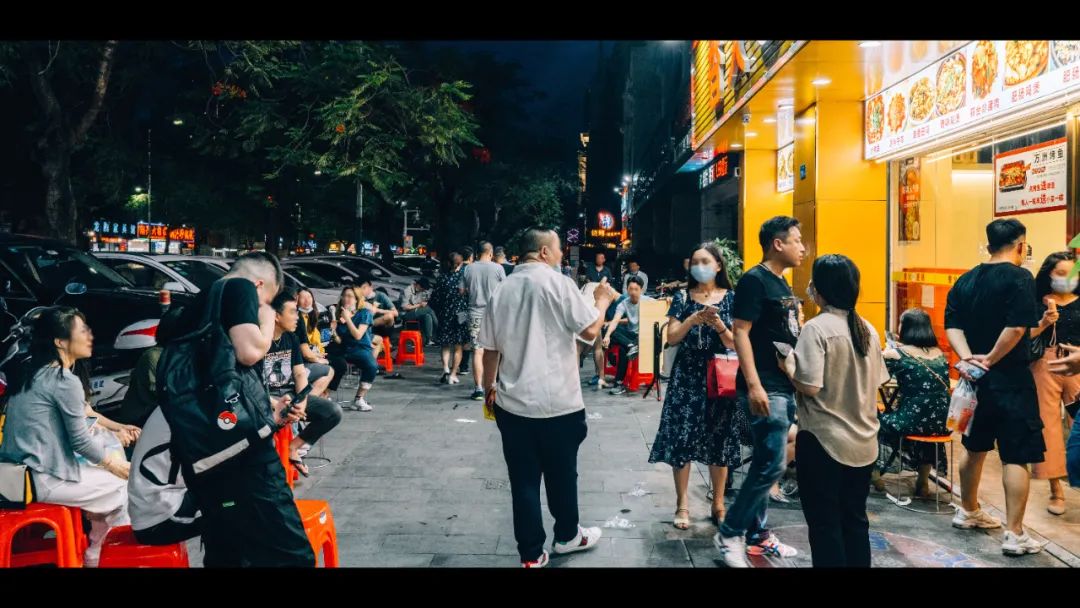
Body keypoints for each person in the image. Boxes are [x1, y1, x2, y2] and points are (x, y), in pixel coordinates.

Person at [478, 228, 616, 568]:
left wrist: (489, 387)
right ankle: (567, 535)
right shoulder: (558, 284)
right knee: (563, 475)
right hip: (559, 403)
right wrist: (602, 300)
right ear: (543, 252)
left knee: (523, 481)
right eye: (557, 249)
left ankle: (530, 554)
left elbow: (490, 350)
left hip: (513, 404)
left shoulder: (502, 290)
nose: (559, 255)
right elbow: (590, 330)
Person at [170, 251, 314, 567]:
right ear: (260, 284)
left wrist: (269, 408)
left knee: (228, 550)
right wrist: (267, 315)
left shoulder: (202, 302)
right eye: (268, 301)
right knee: (292, 554)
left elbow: (220, 375)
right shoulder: (240, 287)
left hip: (204, 450)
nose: (263, 309)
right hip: (242, 452)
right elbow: (248, 352)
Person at [778, 254, 888, 568]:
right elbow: (879, 379)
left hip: (824, 441)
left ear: (822, 288)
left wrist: (787, 365)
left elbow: (809, 385)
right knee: (855, 521)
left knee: (825, 525)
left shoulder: (816, 329)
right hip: (864, 443)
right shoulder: (868, 329)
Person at [0, 307, 132, 566]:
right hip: (40, 479)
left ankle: (96, 550)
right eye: (82, 331)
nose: (90, 336)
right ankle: (103, 556)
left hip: (16, 476)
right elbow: (80, 441)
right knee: (121, 487)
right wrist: (115, 465)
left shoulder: (33, 374)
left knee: (106, 480)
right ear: (60, 342)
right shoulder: (63, 380)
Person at [945, 218, 1046, 556]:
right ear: (1020, 245)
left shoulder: (966, 279)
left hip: (974, 382)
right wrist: (990, 358)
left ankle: (968, 510)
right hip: (1011, 381)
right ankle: (1015, 534)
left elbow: (952, 325)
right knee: (1016, 455)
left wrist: (969, 359)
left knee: (973, 446)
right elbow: (1016, 328)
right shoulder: (1020, 277)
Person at [714, 216, 804, 568]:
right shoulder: (755, 280)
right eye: (796, 240)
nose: (802, 248)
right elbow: (740, 332)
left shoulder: (780, 282)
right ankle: (730, 532)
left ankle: (758, 535)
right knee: (771, 463)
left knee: (767, 461)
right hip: (766, 384)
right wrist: (753, 384)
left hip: (783, 384)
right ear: (777, 244)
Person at [648, 243, 747, 530]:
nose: (699, 267)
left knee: (720, 438)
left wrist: (718, 324)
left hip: (720, 375)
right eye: (695, 262)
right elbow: (672, 337)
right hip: (687, 376)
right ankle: (682, 504)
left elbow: (735, 342)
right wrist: (693, 319)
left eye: (705, 261)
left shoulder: (732, 298)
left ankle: (719, 504)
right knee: (682, 437)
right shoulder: (682, 297)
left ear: (718, 266)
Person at [262, 288, 343, 476]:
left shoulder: (291, 338)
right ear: (276, 316)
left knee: (332, 412)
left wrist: (302, 401)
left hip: (289, 395)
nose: (297, 317)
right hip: (267, 399)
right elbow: (253, 386)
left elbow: (299, 374)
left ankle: (294, 448)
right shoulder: (260, 342)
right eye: (292, 312)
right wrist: (278, 405)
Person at [877, 308, 951, 497]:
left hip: (910, 422)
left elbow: (877, 378)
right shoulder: (939, 354)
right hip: (941, 424)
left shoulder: (896, 354)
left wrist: (889, 351)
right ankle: (922, 481)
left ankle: (874, 475)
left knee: (874, 420)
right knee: (926, 420)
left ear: (906, 327)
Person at [1030, 251, 1080, 515]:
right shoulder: (1037, 301)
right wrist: (1043, 323)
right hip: (1045, 363)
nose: (1067, 278)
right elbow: (1021, 334)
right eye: (1061, 273)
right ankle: (1056, 490)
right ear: (1048, 274)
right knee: (1047, 424)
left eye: (1072, 273)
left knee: (1077, 422)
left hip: (1077, 362)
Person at [460, 241, 506, 401]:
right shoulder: (498, 268)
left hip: (475, 313)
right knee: (495, 350)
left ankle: (478, 388)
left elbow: (461, 291)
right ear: (491, 253)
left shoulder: (468, 268)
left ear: (477, 253)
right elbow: (505, 290)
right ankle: (492, 385)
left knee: (477, 351)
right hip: (495, 314)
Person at [326, 282, 379, 412]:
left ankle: (358, 399)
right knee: (335, 363)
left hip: (360, 348)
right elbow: (339, 341)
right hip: (344, 349)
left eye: (350, 296)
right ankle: (325, 395)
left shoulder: (364, 313)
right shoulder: (338, 313)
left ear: (356, 299)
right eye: (344, 295)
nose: (346, 299)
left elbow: (358, 335)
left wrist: (348, 319)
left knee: (371, 366)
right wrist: (333, 331)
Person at [603, 276, 653, 395]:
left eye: (636, 289)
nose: (633, 292)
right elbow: (615, 320)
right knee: (609, 329)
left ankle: (619, 383)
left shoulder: (648, 301)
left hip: (643, 337)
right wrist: (607, 336)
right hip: (630, 337)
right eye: (630, 289)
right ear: (627, 289)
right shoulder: (624, 303)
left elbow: (663, 304)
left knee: (622, 349)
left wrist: (668, 300)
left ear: (641, 290)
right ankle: (631, 346)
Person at [429, 250, 469, 385]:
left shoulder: (442, 278)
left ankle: (445, 368)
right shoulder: (464, 278)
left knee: (445, 344)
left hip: (445, 314)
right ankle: (453, 374)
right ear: (460, 263)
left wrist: (441, 310)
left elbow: (434, 299)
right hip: (461, 315)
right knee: (458, 346)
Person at [400, 277, 439, 346]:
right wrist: (419, 305)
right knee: (429, 310)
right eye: (422, 288)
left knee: (427, 316)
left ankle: (428, 340)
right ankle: (439, 330)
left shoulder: (421, 291)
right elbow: (404, 307)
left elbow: (423, 302)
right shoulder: (407, 290)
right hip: (406, 314)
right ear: (418, 285)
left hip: (417, 312)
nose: (423, 290)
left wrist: (424, 301)